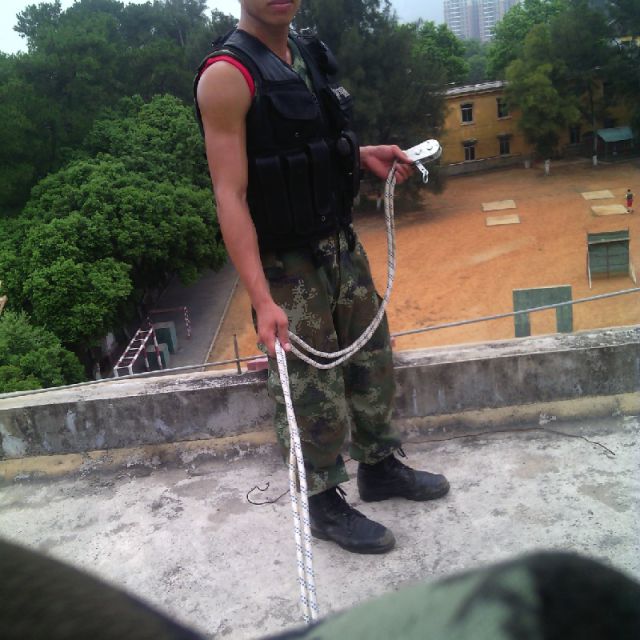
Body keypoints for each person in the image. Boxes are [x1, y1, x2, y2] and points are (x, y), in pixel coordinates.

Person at [194, 0, 449, 555]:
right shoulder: (226, 77)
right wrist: (261, 299)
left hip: (340, 243)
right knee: (312, 388)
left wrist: (364, 155)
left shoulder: (305, 53)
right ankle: (324, 503)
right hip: (286, 266)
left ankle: (379, 467)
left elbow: (306, 149)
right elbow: (230, 195)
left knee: (372, 359)